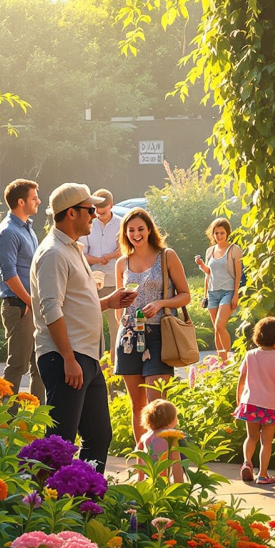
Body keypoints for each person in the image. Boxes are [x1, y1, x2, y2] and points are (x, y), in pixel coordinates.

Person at [31, 183, 137, 470]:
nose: (94, 215)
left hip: (84, 357)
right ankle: (46, 495)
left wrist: (108, 302)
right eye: (90, 210)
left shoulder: (71, 248)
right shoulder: (53, 252)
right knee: (60, 444)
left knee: (99, 436)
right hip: (66, 358)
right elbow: (51, 308)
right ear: (71, 213)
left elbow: (73, 305)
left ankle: (87, 494)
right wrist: (68, 358)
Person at [114, 208, 191, 445]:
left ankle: (162, 459)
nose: (136, 234)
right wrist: (124, 324)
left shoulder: (167, 256)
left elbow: (185, 295)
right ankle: (142, 461)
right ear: (125, 233)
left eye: (140, 229)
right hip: (129, 337)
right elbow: (118, 304)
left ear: (149, 230)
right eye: (131, 230)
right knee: (137, 406)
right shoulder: (122, 263)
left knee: (156, 406)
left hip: (159, 335)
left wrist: (160, 304)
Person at [0, 179, 45, 402]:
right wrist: (30, 302)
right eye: (34, 198)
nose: (38, 201)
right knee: (17, 366)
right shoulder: (8, 232)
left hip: (31, 304)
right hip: (19, 305)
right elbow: (9, 275)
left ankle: (39, 414)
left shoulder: (27, 228)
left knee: (40, 364)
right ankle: (5, 417)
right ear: (21, 202)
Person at [234, 317, 275, 485]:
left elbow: (241, 379)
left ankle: (247, 462)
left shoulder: (250, 355)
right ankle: (262, 475)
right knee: (266, 442)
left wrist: (239, 399)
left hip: (250, 403)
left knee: (251, 436)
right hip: (271, 406)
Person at [79, 189, 122, 352]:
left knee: (116, 326)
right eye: (96, 211)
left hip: (115, 281)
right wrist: (98, 260)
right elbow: (82, 253)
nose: (99, 215)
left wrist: (110, 256)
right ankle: (97, 361)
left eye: (102, 212)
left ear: (111, 205)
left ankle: (116, 362)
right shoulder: (89, 223)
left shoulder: (120, 223)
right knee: (93, 326)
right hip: (93, 281)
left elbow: (125, 249)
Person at [194, 218, 242, 365]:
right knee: (216, 329)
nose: (219, 236)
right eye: (216, 233)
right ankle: (221, 362)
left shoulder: (234, 249)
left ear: (227, 233)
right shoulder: (210, 251)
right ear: (212, 234)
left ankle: (227, 361)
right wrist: (201, 264)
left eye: (222, 233)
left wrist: (236, 294)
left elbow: (239, 274)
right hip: (212, 293)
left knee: (220, 325)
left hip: (228, 292)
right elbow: (209, 272)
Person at [134, 398, 185, 483]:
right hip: (164, 478)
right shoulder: (170, 437)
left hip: (150, 475)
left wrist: (140, 478)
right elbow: (176, 464)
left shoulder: (144, 437)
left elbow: (139, 456)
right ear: (171, 419)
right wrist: (179, 483)